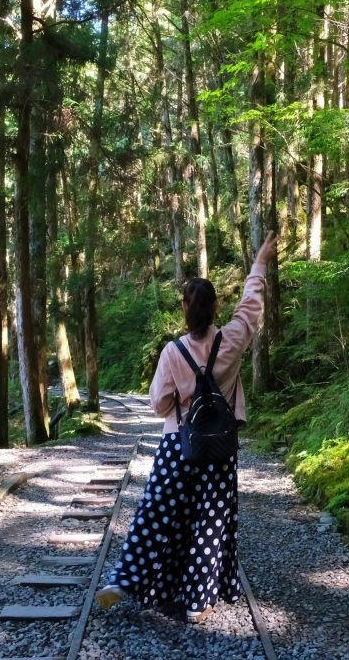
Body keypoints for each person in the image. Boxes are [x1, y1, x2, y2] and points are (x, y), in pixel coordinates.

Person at [95, 231, 279, 623]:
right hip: (218, 450)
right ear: (215, 308)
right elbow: (251, 306)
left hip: (176, 447)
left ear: (185, 309)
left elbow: (159, 404)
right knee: (209, 523)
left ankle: (124, 581)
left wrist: (183, 398)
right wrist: (260, 260)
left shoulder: (172, 351)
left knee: (155, 515)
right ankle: (198, 602)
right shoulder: (232, 341)